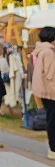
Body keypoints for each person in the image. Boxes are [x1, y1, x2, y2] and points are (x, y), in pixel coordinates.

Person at [30, 26, 55, 160]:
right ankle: (53, 149)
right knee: (52, 120)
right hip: (51, 90)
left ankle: (52, 148)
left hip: (44, 89)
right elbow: (52, 74)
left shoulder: (41, 50)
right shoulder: (50, 52)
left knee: (51, 119)